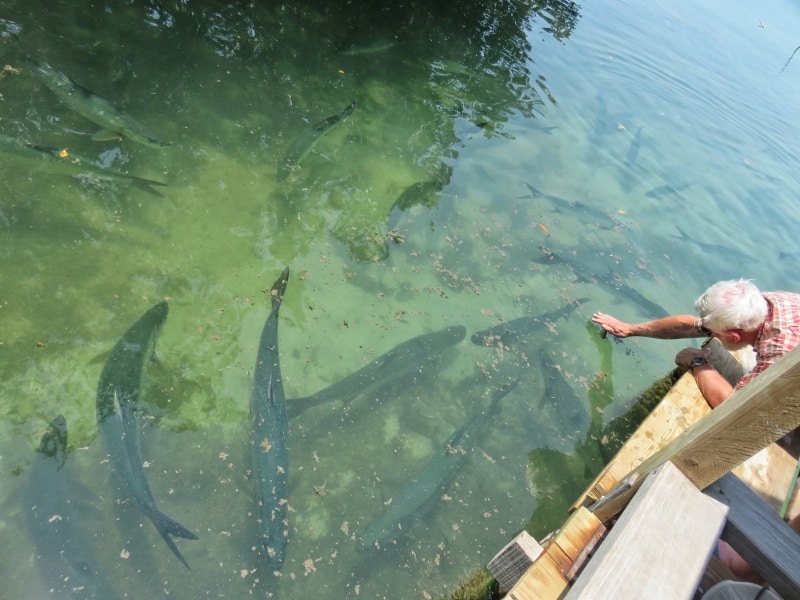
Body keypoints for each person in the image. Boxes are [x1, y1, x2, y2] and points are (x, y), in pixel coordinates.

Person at [592, 279, 800, 581]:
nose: (707, 334)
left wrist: (699, 362)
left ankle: (750, 571)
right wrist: (631, 328)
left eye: (715, 334)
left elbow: (734, 409)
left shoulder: (779, 355)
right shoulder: (766, 305)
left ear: (733, 335)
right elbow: (692, 326)